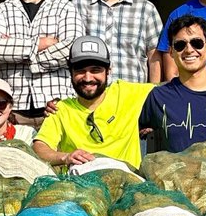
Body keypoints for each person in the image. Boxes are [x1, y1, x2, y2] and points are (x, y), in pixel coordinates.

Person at [33, 36, 155, 170]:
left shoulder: (126, 92)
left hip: (127, 185)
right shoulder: (60, 109)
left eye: (95, 70)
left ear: (108, 70)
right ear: (70, 72)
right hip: (80, 187)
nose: (88, 78)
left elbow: (172, 89)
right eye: (80, 70)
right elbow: (39, 148)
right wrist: (66, 157)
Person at [73, 0, 163, 84]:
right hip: (90, 98)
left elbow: (154, 56)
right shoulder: (78, 6)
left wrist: (153, 92)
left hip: (133, 98)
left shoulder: (146, 9)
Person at [140, 15, 206, 152]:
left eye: (197, 43)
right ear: (171, 52)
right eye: (180, 45)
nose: (189, 50)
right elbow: (128, 132)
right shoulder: (158, 97)